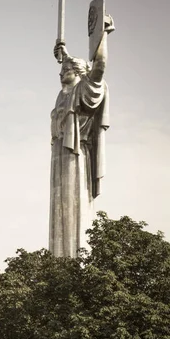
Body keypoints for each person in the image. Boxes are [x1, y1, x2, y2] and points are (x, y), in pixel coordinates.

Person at [49, 16, 114, 257]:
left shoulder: (84, 90)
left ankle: (75, 263)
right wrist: (64, 54)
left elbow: (98, 67)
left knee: (73, 207)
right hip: (60, 157)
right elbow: (68, 63)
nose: (62, 71)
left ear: (78, 73)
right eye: (62, 69)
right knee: (59, 209)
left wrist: (103, 36)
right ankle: (59, 265)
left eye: (67, 69)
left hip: (76, 158)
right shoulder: (63, 95)